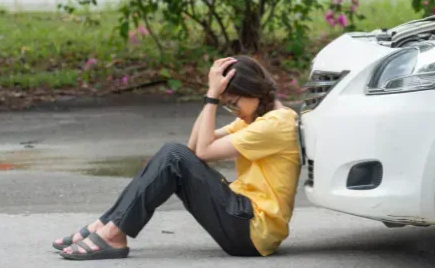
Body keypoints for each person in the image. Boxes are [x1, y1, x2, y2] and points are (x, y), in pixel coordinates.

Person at [53, 55, 301, 260]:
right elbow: (194, 147)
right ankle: (107, 225)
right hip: (244, 220)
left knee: (173, 155)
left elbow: (201, 152)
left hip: (253, 229)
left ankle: (112, 233)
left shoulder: (276, 124)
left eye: (234, 103)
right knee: (172, 153)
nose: (233, 111)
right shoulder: (255, 119)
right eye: (228, 106)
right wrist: (211, 96)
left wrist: (212, 98)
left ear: (254, 90)